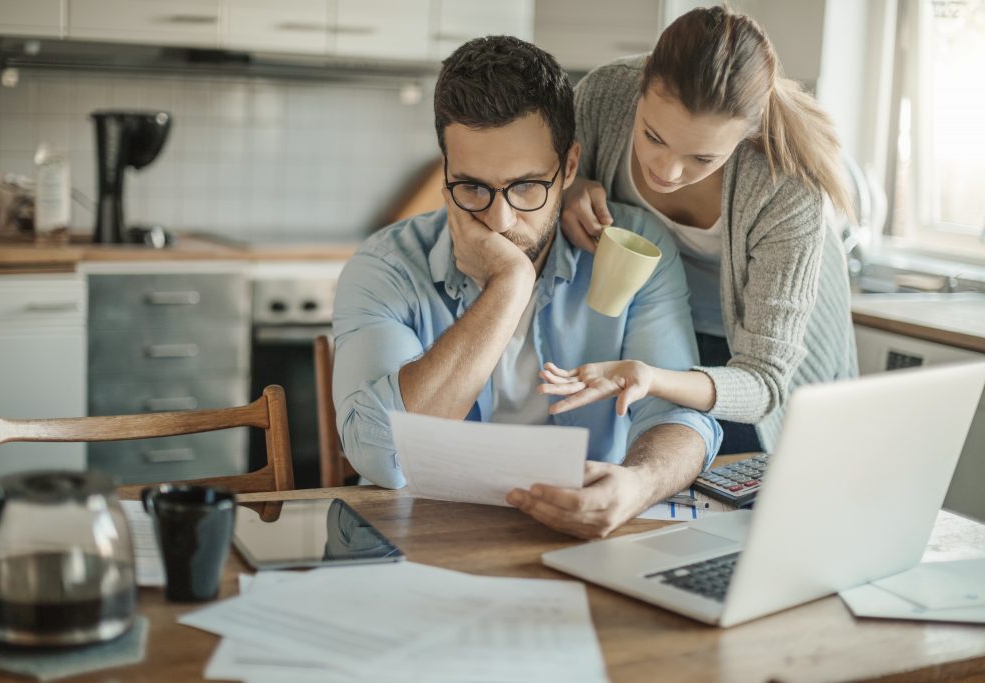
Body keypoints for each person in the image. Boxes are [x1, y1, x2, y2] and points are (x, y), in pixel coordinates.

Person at [332, 36, 721, 539]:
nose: (500, 219)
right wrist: (510, 284)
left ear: (570, 167)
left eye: (526, 186)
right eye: (472, 186)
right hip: (425, 533)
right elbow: (381, 458)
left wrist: (639, 483)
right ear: (446, 170)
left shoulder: (634, 249)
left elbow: (678, 417)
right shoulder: (386, 267)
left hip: (580, 532)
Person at [546, 6, 858, 454]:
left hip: (747, 349)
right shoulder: (606, 95)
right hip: (656, 316)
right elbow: (541, 177)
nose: (668, 171)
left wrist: (654, 378)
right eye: (653, 137)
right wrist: (568, 188)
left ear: (746, 136)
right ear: (639, 89)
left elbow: (763, 382)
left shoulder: (785, 187)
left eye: (702, 158)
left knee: (731, 475)